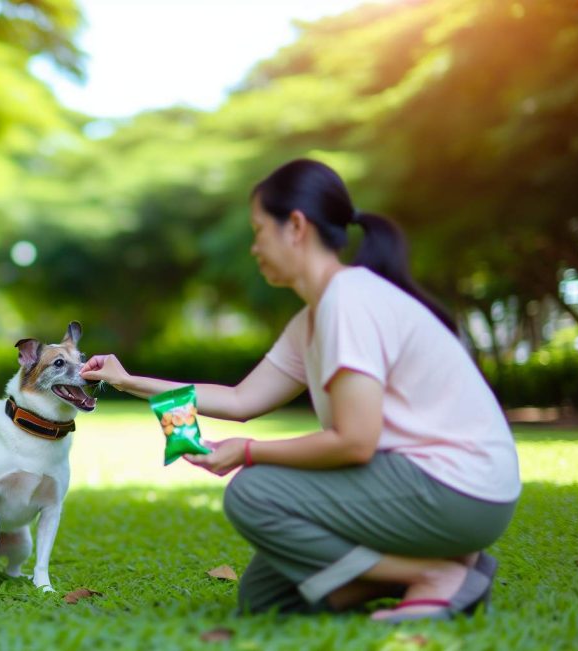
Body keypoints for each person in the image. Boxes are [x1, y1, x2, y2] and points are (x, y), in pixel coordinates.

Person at [80, 159, 519, 622]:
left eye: (259, 230)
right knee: (267, 597)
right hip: (425, 488)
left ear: (295, 226)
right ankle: (453, 569)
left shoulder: (347, 302)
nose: (254, 247)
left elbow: (355, 441)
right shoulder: (311, 318)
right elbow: (239, 400)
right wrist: (126, 380)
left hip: (460, 489)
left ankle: (432, 578)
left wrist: (247, 453)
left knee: (254, 493)